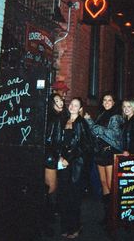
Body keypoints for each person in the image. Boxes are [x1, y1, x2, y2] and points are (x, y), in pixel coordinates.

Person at [84, 92, 123, 228]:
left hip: (109, 153)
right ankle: (108, 215)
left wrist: (93, 125)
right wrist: (90, 123)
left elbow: (113, 135)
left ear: (113, 103)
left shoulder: (116, 116)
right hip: (100, 153)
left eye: (109, 100)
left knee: (111, 184)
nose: (106, 102)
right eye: (105, 100)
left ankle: (116, 216)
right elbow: (95, 133)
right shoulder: (102, 115)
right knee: (103, 183)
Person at [57, 97, 93, 239]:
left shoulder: (81, 123)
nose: (72, 106)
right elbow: (61, 142)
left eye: (76, 105)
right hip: (64, 164)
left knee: (73, 198)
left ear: (80, 109)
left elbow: (85, 146)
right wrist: (60, 156)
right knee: (65, 196)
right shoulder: (64, 120)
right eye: (71, 104)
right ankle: (66, 226)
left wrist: (69, 159)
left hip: (76, 166)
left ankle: (76, 227)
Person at [44, 93, 69, 236]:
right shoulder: (54, 118)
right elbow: (50, 140)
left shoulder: (60, 116)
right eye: (57, 100)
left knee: (52, 188)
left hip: (53, 157)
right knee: (51, 189)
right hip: (50, 158)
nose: (60, 102)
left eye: (61, 100)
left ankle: (48, 218)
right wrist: (57, 156)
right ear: (52, 103)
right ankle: (46, 220)